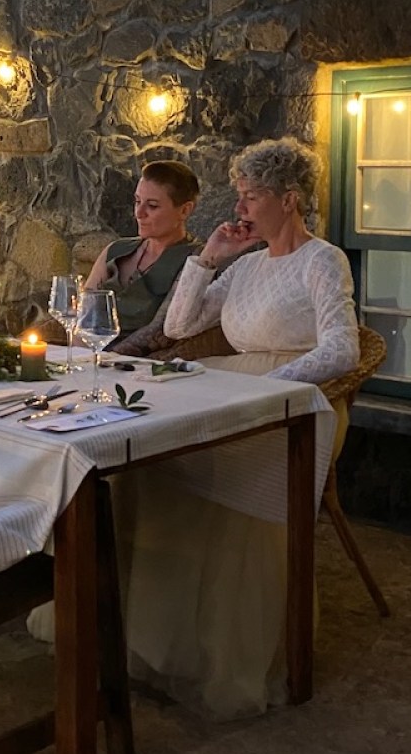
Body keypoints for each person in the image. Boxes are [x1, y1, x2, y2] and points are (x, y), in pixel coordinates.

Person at [118, 137, 359, 720]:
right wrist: (209, 259)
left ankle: (232, 658)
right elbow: (178, 326)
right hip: (233, 388)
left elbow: (343, 349)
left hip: (297, 402)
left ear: (290, 198)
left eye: (252, 196)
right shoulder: (247, 264)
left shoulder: (323, 260)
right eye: (241, 195)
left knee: (231, 493)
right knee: (152, 468)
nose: (242, 207)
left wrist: (272, 384)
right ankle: (160, 640)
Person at [83, 159, 202, 356]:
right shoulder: (116, 250)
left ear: (185, 210)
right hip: (92, 357)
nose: (139, 213)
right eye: (137, 201)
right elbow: (84, 316)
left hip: (140, 365)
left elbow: (160, 328)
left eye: (152, 206)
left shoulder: (194, 260)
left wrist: (109, 360)